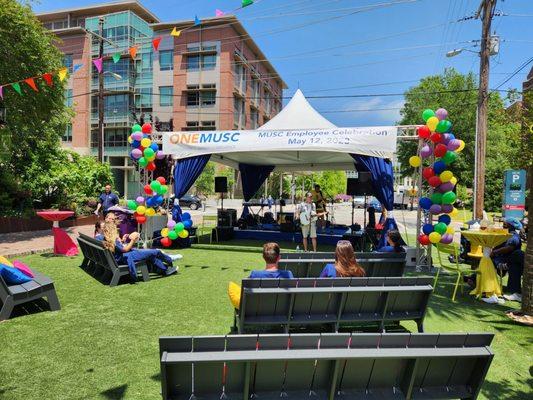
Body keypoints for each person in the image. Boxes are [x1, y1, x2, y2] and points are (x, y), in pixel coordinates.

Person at [101, 222, 178, 280]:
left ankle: (164, 270)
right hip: (126, 257)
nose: (116, 229)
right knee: (156, 252)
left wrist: (122, 240)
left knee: (151, 255)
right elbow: (125, 250)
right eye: (115, 228)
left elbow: (119, 248)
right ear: (112, 230)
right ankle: (169, 260)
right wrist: (133, 240)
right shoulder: (113, 240)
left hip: (122, 258)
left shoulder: (106, 239)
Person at [491, 217, 524, 302]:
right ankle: (474, 279)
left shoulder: (514, 236)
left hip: (507, 259)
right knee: (487, 259)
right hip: (505, 260)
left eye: (505, 224)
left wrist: (494, 252)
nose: (503, 226)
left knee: (518, 255)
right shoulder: (506, 234)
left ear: (510, 226)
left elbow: (509, 248)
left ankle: (516, 293)